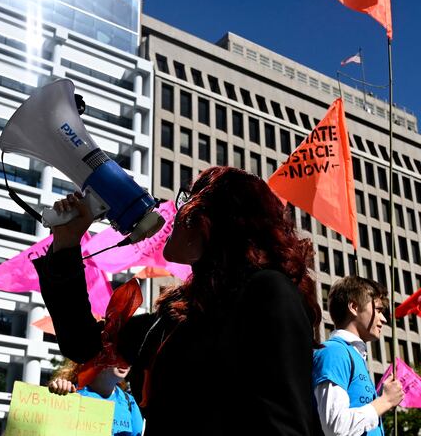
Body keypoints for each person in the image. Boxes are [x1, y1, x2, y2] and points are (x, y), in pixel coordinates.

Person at [33, 166, 322, 434]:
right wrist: (67, 242)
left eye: (187, 201)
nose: (176, 212)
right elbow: (83, 343)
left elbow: (285, 425)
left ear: (215, 221)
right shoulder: (176, 317)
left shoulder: (269, 291)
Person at [313, 276, 404, 435]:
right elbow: (335, 427)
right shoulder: (334, 352)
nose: (383, 319)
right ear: (354, 306)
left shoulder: (353, 355)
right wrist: (385, 401)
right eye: (378, 310)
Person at [48, 361, 144, 436]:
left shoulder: (129, 402)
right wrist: (57, 392)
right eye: (119, 354)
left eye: (130, 356)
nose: (126, 361)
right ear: (99, 357)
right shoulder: (71, 394)